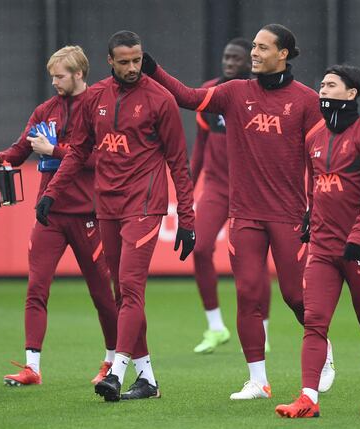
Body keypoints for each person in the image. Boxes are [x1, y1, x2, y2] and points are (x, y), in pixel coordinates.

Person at [142, 23, 336, 400]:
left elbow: (318, 158)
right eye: (255, 47)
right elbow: (187, 96)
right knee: (248, 294)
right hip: (245, 214)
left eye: (264, 48)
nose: (255, 53)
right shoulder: (233, 93)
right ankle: (257, 380)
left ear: (283, 54)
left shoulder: (307, 100)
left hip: (288, 214)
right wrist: (153, 69)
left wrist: (316, 204)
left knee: (296, 296)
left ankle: (324, 351)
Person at [37, 31, 196, 401]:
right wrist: (51, 192)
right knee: (120, 292)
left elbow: (178, 164)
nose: (132, 67)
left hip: (145, 205)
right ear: (109, 61)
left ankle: (116, 372)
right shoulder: (95, 97)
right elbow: (78, 151)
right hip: (106, 206)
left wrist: (187, 220)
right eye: (123, 61)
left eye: (137, 60)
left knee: (130, 286)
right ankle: (148, 380)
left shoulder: (161, 100)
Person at [0, 46, 119, 387]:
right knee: (36, 288)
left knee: (102, 293)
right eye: (52, 75)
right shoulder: (45, 110)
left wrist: (54, 151)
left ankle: (112, 362)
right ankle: (32, 368)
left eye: (60, 75)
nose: (54, 81)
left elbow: (104, 159)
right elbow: (19, 150)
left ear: (79, 73)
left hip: (88, 216)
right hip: (49, 215)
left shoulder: (100, 107)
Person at [275, 65, 360, 418]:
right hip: (323, 250)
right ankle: (308, 399)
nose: (322, 90)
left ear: (351, 93)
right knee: (314, 323)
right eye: (321, 84)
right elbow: (315, 185)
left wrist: (359, 235)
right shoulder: (313, 137)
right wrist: (310, 217)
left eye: (331, 85)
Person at [190, 38, 272, 355]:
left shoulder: (255, 94)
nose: (229, 62)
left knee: (256, 262)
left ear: (248, 62)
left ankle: (263, 330)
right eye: (226, 56)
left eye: (236, 58)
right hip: (216, 187)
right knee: (199, 249)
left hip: (251, 191)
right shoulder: (211, 91)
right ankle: (215, 327)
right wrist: (188, 184)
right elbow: (200, 143)